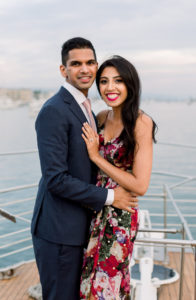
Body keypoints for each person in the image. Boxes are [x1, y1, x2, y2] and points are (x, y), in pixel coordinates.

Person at [31, 38, 138, 300]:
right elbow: (56, 179)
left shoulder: (89, 109)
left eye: (90, 62)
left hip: (83, 228)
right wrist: (112, 197)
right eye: (76, 63)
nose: (85, 69)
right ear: (63, 70)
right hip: (59, 232)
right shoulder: (54, 110)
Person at [80, 55, 157, 299]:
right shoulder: (101, 117)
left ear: (130, 85)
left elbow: (141, 185)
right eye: (104, 81)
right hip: (96, 207)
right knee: (87, 282)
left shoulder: (141, 122)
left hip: (120, 217)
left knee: (106, 287)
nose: (110, 87)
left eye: (118, 81)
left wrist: (97, 157)